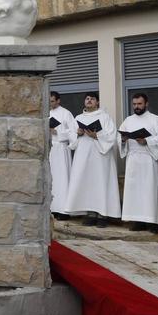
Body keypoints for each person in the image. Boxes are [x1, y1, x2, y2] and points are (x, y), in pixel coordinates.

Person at [62, 92, 120, 226]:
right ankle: (90, 213)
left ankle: (102, 215)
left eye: (92, 99)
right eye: (87, 99)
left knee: (100, 183)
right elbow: (71, 136)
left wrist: (96, 135)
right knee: (86, 182)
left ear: (98, 102)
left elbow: (112, 136)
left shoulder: (105, 117)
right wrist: (77, 133)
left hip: (100, 156)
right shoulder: (78, 118)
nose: (89, 101)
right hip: (83, 155)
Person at [118, 92, 158, 232]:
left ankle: (152, 222)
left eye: (139, 104)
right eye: (134, 104)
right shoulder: (128, 120)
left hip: (149, 159)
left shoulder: (156, 120)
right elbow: (120, 138)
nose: (137, 106)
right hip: (133, 160)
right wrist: (123, 140)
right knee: (134, 191)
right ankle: (137, 221)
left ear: (146, 104)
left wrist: (147, 141)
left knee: (150, 190)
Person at [48, 91, 76, 218]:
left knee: (62, 178)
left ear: (58, 101)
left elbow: (73, 132)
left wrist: (57, 132)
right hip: (49, 149)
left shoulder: (66, 113)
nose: (50, 103)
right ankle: (51, 208)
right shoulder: (45, 113)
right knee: (51, 179)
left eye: (52, 101)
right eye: (48, 101)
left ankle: (63, 210)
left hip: (61, 148)